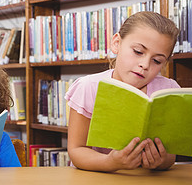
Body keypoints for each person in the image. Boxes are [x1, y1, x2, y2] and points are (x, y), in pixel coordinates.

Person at [66, 11, 180, 172]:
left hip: (146, 182)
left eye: (157, 61)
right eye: (138, 52)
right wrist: (110, 162)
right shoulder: (88, 87)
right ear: (116, 43)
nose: (145, 64)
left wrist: (160, 161)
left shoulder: (169, 91)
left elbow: (170, 157)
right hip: (96, 180)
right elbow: (76, 150)